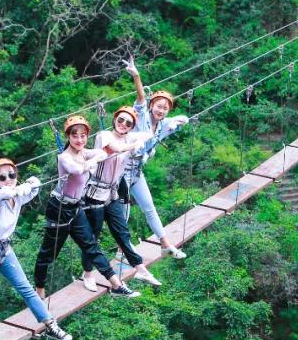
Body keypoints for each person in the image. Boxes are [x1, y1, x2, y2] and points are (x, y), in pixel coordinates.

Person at [0, 158, 72, 340]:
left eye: (11, 175)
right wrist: (19, 188)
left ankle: (49, 324)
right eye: (2, 177)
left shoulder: (18, 196)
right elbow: (5, 192)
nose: (8, 179)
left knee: (26, 288)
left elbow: (36, 185)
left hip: (3, 249)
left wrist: (28, 183)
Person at [33, 116, 140, 301]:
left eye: (83, 136)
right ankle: (39, 292)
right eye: (75, 136)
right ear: (68, 137)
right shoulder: (64, 158)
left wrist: (93, 158)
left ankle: (116, 285)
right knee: (48, 255)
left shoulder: (83, 152)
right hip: (59, 208)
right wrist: (90, 163)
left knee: (91, 245)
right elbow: (75, 170)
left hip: (76, 207)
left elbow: (101, 154)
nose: (80, 140)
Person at [80, 106, 163, 291]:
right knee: (93, 237)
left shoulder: (129, 137)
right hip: (94, 193)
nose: (123, 124)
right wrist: (135, 144)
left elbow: (148, 134)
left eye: (128, 123)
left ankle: (140, 269)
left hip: (113, 192)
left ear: (132, 126)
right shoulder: (104, 135)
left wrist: (139, 139)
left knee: (122, 232)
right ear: (114, 120)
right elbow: (115, 148)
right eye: (120, 120)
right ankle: (87, 274)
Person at [126, 56, 191, 258]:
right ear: (152, 105)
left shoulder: (163, 125)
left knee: (149, 207)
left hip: (137, 172)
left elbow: (184, 119)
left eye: (165, 108)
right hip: (120, 170)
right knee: (123, 213)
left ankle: (164, 244)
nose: (161, 110)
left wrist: (177, 122)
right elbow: (139, 99)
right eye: (158, 106)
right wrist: (136, 76)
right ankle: (124, 249)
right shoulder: (142, 115)